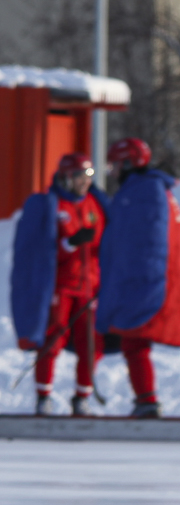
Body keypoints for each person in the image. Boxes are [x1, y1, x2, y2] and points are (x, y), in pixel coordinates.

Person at [96, 137, 180, 418]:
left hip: (142, 283)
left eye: (115, 165)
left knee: (133, 341)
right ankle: (145, 399)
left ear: (129, 163)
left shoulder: (144, 190)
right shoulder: (147, 189)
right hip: (139, 280)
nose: (113, 172)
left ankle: (147, 400)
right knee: (132, 342)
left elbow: (147, 244)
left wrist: (135, 282)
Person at [10, 153, 109, 416]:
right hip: (61, 286)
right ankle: (44, 396)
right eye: (79, 176)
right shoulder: (53, 206)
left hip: (90, 287)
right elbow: (41, 250)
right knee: (53, 339)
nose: (84, 181)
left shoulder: (95, 205)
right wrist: (70, 244)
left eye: (89, 175)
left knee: (91, 343)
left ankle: (82, 397)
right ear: (66, 178)